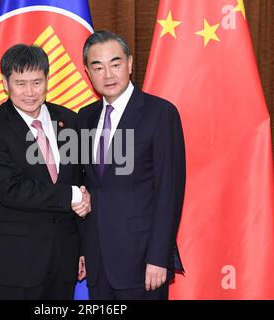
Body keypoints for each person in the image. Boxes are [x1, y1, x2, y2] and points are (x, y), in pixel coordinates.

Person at [0, 44, 90, 299]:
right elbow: (11, 190)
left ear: (48, 80)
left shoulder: (70, 121)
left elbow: (80, 182)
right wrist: (71, 195)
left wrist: (83, 248)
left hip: (63, 262)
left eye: (37, 82)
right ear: (5, 83)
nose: (29, 92)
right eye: (20, 83)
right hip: (14, 268)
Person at [78, 31, 186, 300]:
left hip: (142, 260)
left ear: (129, 63)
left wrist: (159, 257)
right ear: (88, 72)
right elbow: (87, 185)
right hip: (97, 258)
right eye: (98, 67)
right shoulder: (85, 117)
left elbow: (169, 191)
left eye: (115, 64)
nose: (108, 74)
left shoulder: (160, 114)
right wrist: (81, 248)